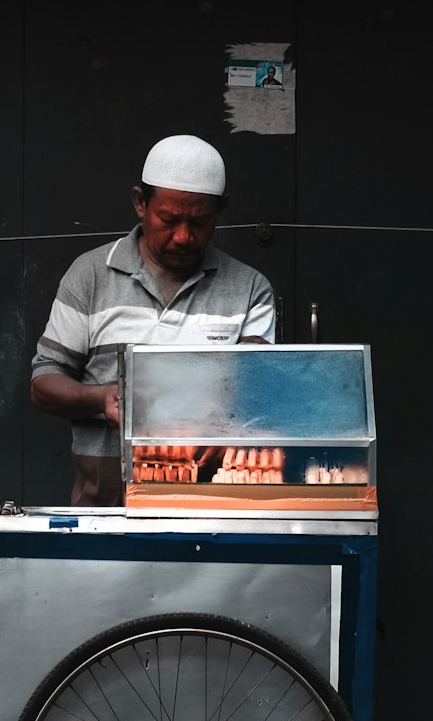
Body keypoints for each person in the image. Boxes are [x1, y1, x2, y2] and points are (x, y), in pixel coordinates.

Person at [31, 134, 276, 506]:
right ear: (140, 203)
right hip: (105, 514)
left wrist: (226, 430)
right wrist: (101, 398)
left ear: (220, 211)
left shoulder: (250, 289)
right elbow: (43, 384)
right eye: (169, 219)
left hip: (218, 513)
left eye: (199, 222)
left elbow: (259, 398)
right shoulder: (90, 275)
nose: (183, 237)